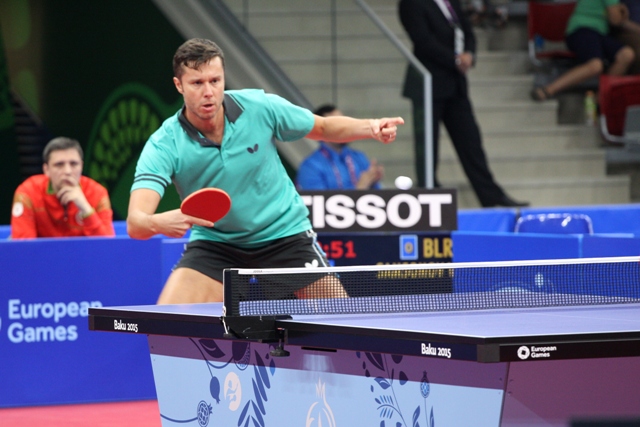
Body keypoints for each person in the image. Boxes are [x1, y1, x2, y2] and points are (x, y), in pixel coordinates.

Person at [126, 38, 403, 305]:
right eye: (197, 83)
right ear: (179, 85)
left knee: (341, 321)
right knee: (169, 323)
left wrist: (370, 127)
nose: (208, 91)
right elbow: (135, 223)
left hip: (284, 236)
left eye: (215, 81)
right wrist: (158, 223)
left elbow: (322, 127)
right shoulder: (165, 143)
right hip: (217, 244)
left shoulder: (259, 107)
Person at [398, 0, 528, 207]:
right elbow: (423, 41)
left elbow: (466, 30)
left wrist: (469, 54)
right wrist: (454, 60)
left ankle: (491, 197)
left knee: (471, 143)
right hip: (428, 84)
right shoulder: (412, 3)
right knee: (428, 147)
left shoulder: (451, 2)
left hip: (455, 85)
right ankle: (429, 195)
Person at [10, 137, 115, 239]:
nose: (67, 171)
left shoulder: (98, 193)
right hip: (43, 252)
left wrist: (85, 208)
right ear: (46, 169)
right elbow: (23, 246)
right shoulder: (28, 193)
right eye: (59, 165)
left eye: (74, 164)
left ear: (81, 166)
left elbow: (108, 246)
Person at [530, 0, 635, 101]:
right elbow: (615, 20)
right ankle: (549, 89)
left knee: (626, 54)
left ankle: (600, 99)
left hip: (599, 33)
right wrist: (623, 11)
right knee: (595, 65)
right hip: (581, 30)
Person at [296, 104, 385, 190]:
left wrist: (373, 181)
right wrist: (360, 188)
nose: (344, 128)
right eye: (338, 125)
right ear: (322, 130)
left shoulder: (359, 157)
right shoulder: (310, 166)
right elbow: (317, 199)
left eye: (344, 123)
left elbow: (376, 194)